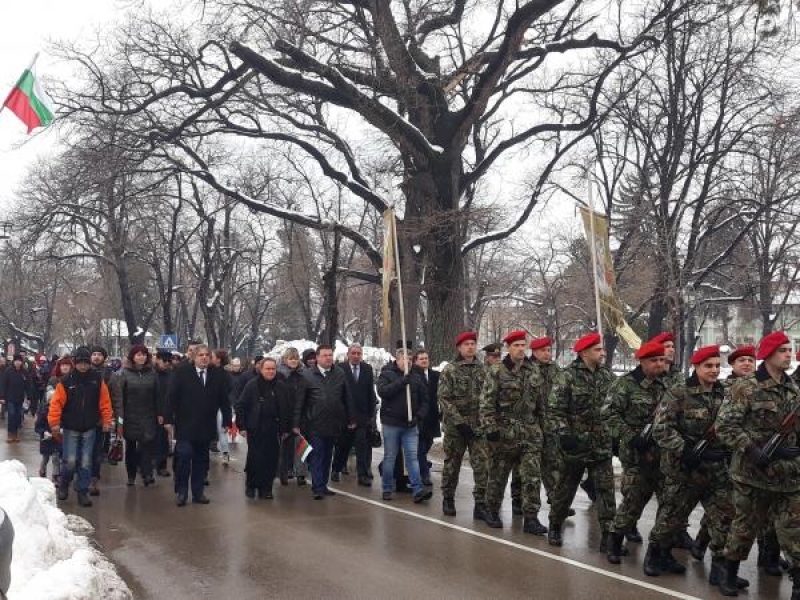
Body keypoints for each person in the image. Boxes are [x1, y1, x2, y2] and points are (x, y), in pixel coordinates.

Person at [648, 345, 746, 589]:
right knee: (672, 518)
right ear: (696, 367)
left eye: (716, 366)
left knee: (725, 518)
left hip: (716, 469)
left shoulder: (724, 393)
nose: (714, 371)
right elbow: (661, 428)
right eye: (708, 366)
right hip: (684, 469)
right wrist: (683, 449)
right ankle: (656, 555)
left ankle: (720, 569)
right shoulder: (678, 392)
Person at [716, 331, 800, 597]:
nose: (789, 354)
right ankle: (728, 574)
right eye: (784, 350)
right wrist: (752, 449)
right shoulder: (746, 386)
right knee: (744, 528)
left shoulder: (792, 388)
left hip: (788, 476)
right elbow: (725, 426)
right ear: (769, 353)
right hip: (752, 474)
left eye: (790, 349)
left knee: (794, 532)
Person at [546, 333, 616, 549]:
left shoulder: (607, 376)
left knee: (606, 491)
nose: (603, 353)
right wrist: (565, 434)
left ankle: (608, 535)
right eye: (598, 350)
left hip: (601, 444)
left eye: (602, 349)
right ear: (584, 352)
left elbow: (616, 408)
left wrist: (616, 435)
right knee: (565, 489)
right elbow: (555, 410)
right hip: (575, 445)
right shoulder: (567, 376)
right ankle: (555, 525)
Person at [606, 340, 670, 564]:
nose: (659, 364)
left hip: (663, 454)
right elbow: (609, 415)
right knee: (633, 502)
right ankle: (614, 541)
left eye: (662, 360)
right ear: (642, 361)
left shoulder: (665, 385)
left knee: (670, 504)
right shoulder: (625, 385)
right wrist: (630, 436)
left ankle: (663, 551)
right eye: (654, 360)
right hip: (636, 455)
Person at [480, 330, 547, 535]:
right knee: (498, 476)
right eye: (516, 345)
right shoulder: (497, 371)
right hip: (504, 432)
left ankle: (531, 518)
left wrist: (545, 428)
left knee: (532, 477)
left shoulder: (533, 370)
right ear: (508, 348)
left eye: (522, 345)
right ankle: (491, 510)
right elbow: (486, 402)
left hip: (529, 432)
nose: (520, 349)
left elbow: (540, 403)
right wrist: (490, 428)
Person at [166, 344, 232, 506]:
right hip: (186, 424)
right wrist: (168, 419)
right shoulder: (182, 373)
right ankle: (182, 491)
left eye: (207, 355)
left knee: (201, 460)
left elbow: (224, 399)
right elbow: (171, 397)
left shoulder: (217, 375)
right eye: (200, 355)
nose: (204, 358)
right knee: (184, 457)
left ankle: (198, 492)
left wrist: (227, 421)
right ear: (194, 358)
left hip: (206, 425)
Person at [48, 347, 113, 507]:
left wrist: (107, 420)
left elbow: (105, 402)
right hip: (71, 427)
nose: (83, 366)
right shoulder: (66, 381)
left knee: (86, 461)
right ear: (75, 363)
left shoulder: (97, 380)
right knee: (69, 461)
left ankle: (82, 491)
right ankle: (64, 483)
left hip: (90, 426)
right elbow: (56, 403)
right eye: (80, 363)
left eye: (85, 363)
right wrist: (54, 423)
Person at [439, 332, 489, 518]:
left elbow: (488, 397)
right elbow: (444, 398)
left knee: (482, 466)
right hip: (456, 428)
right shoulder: (450, 370)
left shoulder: (483, 369)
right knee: (452, 464)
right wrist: (459, 423)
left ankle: (480, 504)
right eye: (466, 344)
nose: (470, 347)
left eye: (473, 344)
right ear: (459, 348)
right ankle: (448, 498)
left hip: (478, 426)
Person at [377, 347, 431, 503]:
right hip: (392, 423)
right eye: (404, 359)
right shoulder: (387, 373)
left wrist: (418, 416)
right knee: (390, 457)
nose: (407, 362)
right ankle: (387, 488)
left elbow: (425, 400)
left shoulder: (417, 376)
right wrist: (402, 382)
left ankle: (417, 489)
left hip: (410, 425)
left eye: (409, 359)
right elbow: (383, 391)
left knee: (412, 458)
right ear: (397, 359)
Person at [297, 345, 349, 499]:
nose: (328, 358)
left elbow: (347, 397)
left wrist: (350, 416)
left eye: (330, 355)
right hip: (315, 423)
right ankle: (317, 487)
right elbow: (300, 401)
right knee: (317, 455)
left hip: (333, 422)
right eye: (325, 355)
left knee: (327, 456)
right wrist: (296, 423)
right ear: (317, 358)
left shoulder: (339, 373)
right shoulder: (307, 375)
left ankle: (323, 485)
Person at [236, 358, 293, 499]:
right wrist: (242, 426)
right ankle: (251, 485)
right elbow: (241, 406)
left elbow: (287, 409)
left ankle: (266, 488)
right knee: (255, 458)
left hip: (274, 428)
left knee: (271, 459)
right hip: (256, 427)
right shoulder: (252, 385)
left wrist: (286, 429)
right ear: (261, 370)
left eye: (273, 369)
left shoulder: (281, 386)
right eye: (267, 369)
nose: (270, 371)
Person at [110, 345, 162, 487]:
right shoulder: (123, 374)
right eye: (138, 354)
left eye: (144, 354)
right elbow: (118, 398)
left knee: (147, 447)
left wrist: (160, 413)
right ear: (132, 356)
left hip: (148, 416)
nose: (141, 357)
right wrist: (119, 419)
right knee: (131, 447)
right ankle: (131, 475)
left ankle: (147, 473)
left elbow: (158, 395)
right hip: (130, 417)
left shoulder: (152, 373)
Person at [335, 344, 379, 487]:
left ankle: (362, 474)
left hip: (362, 415)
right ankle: (336, 469)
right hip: (344, 415)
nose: (356, 356)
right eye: (353, 353)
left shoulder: (367, 369)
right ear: (348, 354)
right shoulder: (340, 369)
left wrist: (371, 415)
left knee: (362, 446)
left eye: (358, 353)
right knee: (343, 445)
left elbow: (370, 392)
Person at [279, 347, 316, 487]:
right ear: (285, 360)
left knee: (301, 446)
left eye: (295, 358)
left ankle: (301, 474)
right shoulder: (279, 375)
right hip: (285, 415)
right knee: (285, 447)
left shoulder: (304, 375)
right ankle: (285, 471)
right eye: (291, 358)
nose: (293, 361)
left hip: (302, 415)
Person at [35, 357, 72, 481]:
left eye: (67, 365)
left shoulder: (73, 380)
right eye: (63, 365)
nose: (65, 367)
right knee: (46, 455)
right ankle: (44, 470)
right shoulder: (53, 380)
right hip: (51, 421)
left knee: (58, 454)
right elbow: (47, 399)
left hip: (66, 415)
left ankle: (57, 475)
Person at [413, 349, 440, 487]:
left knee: (427, 444)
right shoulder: (413, 375)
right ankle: (424, 475)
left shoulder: (435, 375)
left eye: (426, 358)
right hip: (420, 417)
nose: (424, 361)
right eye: (421, 359)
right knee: (420, 448)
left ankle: (421, 466)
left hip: (433, 417)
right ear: (416, 361)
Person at [89, 346, 114, 495]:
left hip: (102, 417)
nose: (97, 357)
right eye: (94, 354)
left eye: (99, 354)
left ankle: (94, 479)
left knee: (96, 452)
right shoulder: (83, 371)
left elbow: (115, 396)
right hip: (84, 418)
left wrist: (113, 418)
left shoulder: (110, 374)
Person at [153, 350, 174, 477]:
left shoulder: (171, 374)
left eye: (168, 361)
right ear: (157, 359)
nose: (166, 363)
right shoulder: (151, 373)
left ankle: (162, 465)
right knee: (148, 440)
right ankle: (144, 465)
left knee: (163, 440)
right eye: (164, 360)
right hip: (151, 411)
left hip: (167, 411)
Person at [211, 349, 233, 466]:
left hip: (219, 407)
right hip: (220, 406)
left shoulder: (219, 374)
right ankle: (225, 453)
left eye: (212, 356)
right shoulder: (226, 374)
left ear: (218, 359)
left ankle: (225, 453)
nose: (210, 358)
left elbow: (227, 391)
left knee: (222, 431)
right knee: (222, 431)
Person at [0, 355, 30, 443]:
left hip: (20, 398)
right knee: (11, 415)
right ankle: (10, 434)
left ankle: (15, 434)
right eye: (16, 361)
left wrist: (29, 396)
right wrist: (2, 396)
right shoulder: (8, 371)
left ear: (21, 362)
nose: (18, 362)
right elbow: (3, 384)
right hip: (10, 398)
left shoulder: (24, 372)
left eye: (19, 361)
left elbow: (28, 385)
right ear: (13, 361)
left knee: (18, 416)